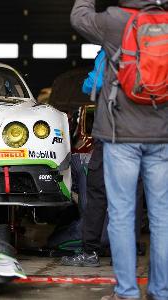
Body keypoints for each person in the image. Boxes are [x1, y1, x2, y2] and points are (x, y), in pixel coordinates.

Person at [71, 1, 168, 300]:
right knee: (162, 217)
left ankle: (126, 293)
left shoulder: (114, 20)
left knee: (122, 215)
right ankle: (160, 292)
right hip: (162, 134)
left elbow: (79, 17)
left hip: (119, 134)